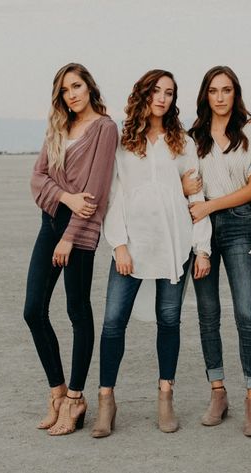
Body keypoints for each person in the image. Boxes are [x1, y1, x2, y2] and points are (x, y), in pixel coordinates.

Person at [91, 69, 211, 437]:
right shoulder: (124, 140)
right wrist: (120, 245)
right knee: (113, 323)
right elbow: (114, 195)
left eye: (170, 93)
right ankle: (106, 401)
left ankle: (165, 396)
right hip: (134, 245)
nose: (162, 98)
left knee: (169, 319)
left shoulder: (182, 141)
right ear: (143, 95)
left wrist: (202, 248)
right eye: (156, 91)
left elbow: (196, 197)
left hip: (174, 245)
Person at [23, 63, 118, 436]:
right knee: (33, 310)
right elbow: (38, 177)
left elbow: (95, 191)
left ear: (89, 87)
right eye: (65, 90)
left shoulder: (105, 129)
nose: (72, 94)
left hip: (78, 232)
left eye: (76, 86)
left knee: (77, 310)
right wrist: (63, 196)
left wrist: (70, 235)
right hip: (50, 223)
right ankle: (58, 392)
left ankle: (77, 398)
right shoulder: (59, 127)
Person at [183, 65, 251, 436]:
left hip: (237, 224)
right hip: (200, 229)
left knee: (247, 313)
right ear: (205, 95)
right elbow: (186, 185)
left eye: (227, 90)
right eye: (214, 91)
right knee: (207, 313)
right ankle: (218, 392)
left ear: (236, 93)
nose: (220, 97)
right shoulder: (192, 137)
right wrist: (189, 189)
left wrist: (208, 206)